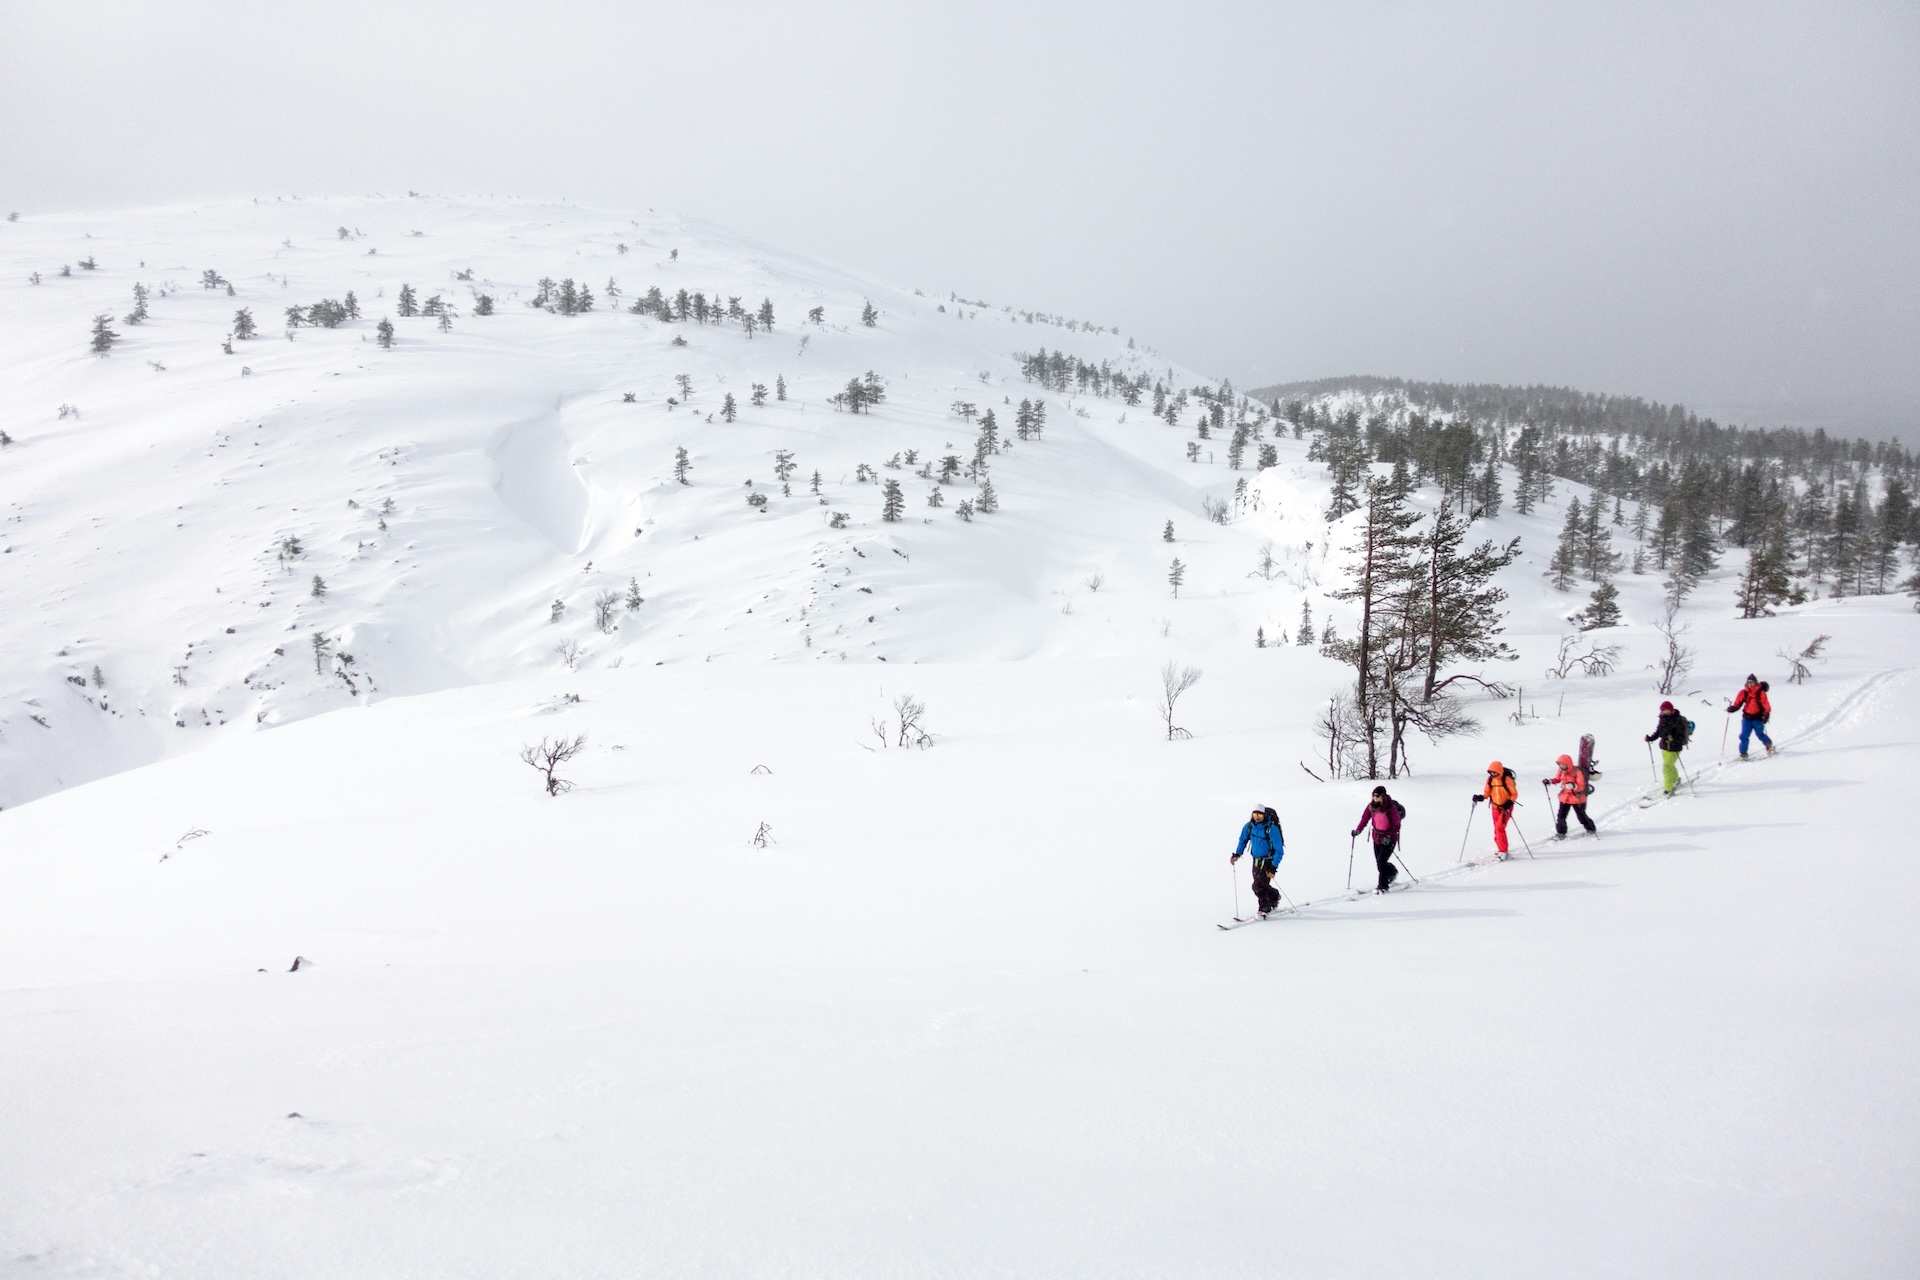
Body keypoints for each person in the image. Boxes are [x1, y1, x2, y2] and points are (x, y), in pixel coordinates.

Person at [1232, 806, 1285, 916]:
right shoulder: (1249, 827)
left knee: (1258, 886)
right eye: (1255, 815)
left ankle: (1264, 909)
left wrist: (1273, 867)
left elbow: (1279, 850)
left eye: (1260, 815)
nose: (1257, 818)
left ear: (1264, 815)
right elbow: (1243, 840)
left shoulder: (1271, 829)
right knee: (1261, 885)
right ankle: (1274, 897)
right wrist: (1237, 854)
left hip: (1268, 862)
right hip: (1256, 861)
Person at [1351, 786, 1405, 893]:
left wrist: (1389, 838)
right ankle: (1392, 872)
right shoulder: (1371, 807)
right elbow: (1364, 819)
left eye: (1377, 796)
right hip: (1377, 838)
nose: (1375, 798)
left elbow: (1396, 825)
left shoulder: (1390, 808)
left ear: (1383, 796)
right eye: (1373, 795)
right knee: (1379, 862)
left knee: (1381, 861)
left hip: (1389, 839)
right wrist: (1358, 831)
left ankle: (1383, 886)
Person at [1644, 700, 1691, 796]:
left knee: (1666, 767)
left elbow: (1681, 736)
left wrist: (1672, 738)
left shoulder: (1677, 720)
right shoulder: (1663, 718)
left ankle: (1668, 789)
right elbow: (1658, 731)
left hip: (1674, 748)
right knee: (1670, 765)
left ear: (1670, 709)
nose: (1662, 711)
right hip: (1664, 747)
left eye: (1664, 710)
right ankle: (1676, 779)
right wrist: (1651, 738)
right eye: (1662, 710)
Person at [1545, 753, 1598, 838]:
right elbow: (1557, 779)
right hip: (1565, 797)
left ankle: (1591, 829)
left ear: (1568, 763)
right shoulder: (1561, 770)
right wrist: (1549, 781)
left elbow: (1581, 785)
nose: (1561, 766)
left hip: (1578, 798)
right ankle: (1561, 833)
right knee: (1561, 816)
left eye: (1563, 764)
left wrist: (1574, 786)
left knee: (1581, 816)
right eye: (1560, 764)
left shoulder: (1577, 771)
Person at [1472, 761, 1518, 858]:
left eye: (1494, 772)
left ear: (1499, 771)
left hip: (1506, 808)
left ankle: (1503, 851)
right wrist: (1481, 797)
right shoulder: (1490, 780)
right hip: (1495, 807)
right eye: (1491, 772)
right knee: (1497, 829)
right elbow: (1487, 792)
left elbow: (1514, 794)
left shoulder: (1507, 779)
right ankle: (1501, 848)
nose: (1492, 774)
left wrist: (1509, 802)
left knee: (1499, 828)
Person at [1727, 674, 1774, 759]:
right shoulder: (1743, 692)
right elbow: (1738, 704)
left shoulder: (1761, 693)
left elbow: (1766, 705)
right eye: (1748, 682)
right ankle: (1743, 754)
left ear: (1755, 682)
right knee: (1743, 736)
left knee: (1760, 734)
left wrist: (1766, 715)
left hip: (1758, 718)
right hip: (1747, 718)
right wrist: (1733, 708)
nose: (1750, 684)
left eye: (1752, 682)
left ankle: (1769, 745)